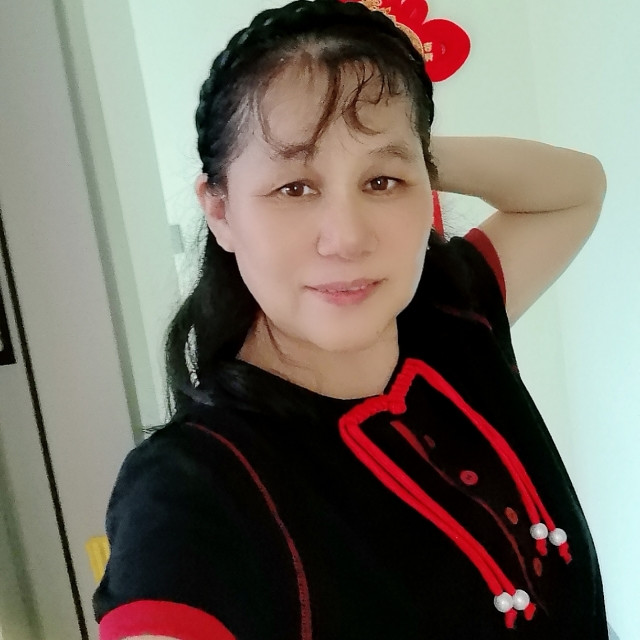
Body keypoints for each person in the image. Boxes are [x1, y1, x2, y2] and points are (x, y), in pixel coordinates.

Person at [92, 0, 609, 638]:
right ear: (220, 211)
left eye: (382, 183)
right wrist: (375, 146)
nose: (347, 238)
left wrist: (398, 145)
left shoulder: (453, 314)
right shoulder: (195, 486)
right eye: (294, 187)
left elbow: (576, 189)